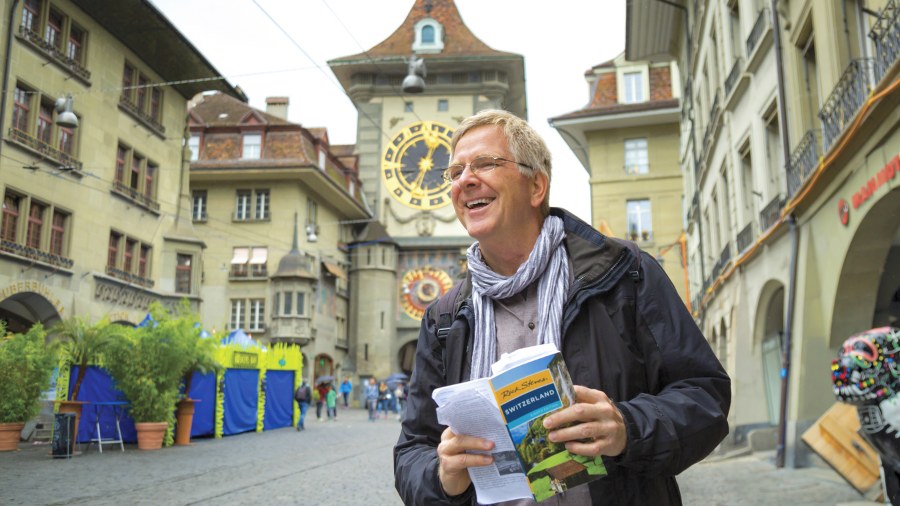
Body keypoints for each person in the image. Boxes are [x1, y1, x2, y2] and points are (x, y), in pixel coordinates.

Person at [393, 110, 731, 505]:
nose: (465, 179)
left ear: (536, 186)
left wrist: (627, 427)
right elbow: (412, 449)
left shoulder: (623, 274)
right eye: (455, 172)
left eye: (485, 163)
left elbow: (706, 398)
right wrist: (441, 475)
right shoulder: (446, 318)